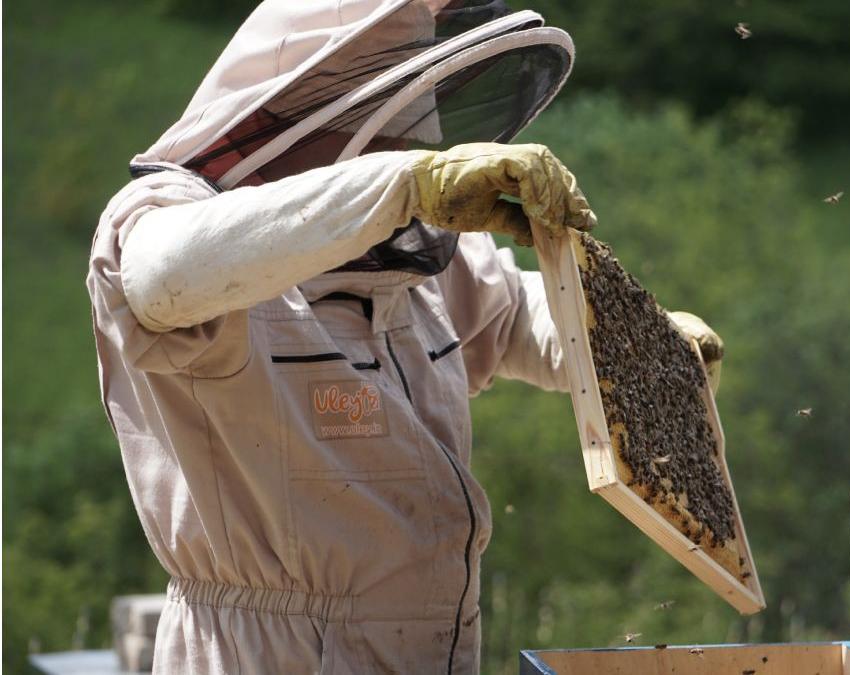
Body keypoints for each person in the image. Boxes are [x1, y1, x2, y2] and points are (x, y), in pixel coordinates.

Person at [87, 1, 723, 673]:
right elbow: (162, 277)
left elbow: (515, 318)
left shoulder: (406, 264)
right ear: (297, 111)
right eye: (385, 127)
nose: (405, 147)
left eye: (411, 128)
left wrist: (639, 347)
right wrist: (400, 188)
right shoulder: (162, 224)